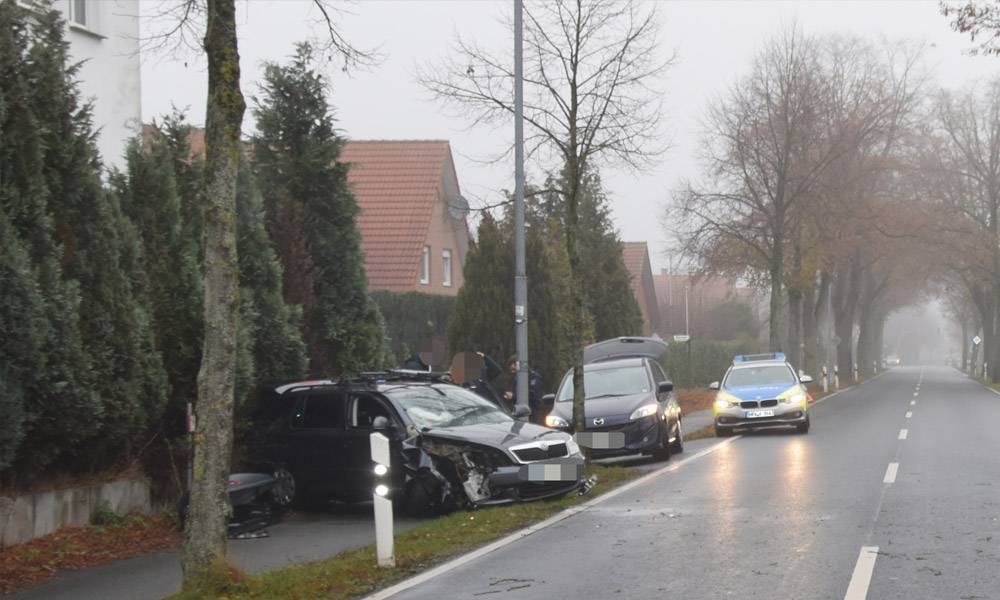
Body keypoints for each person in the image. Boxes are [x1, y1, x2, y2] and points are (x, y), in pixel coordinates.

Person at [503, 355, 545, 423]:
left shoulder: (533, 377)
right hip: (518, 414)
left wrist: (513, 397)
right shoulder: (516, 379)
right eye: (510, 365)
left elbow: (534, 398)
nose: (511, 367)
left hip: (531, 415)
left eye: (513, 364)